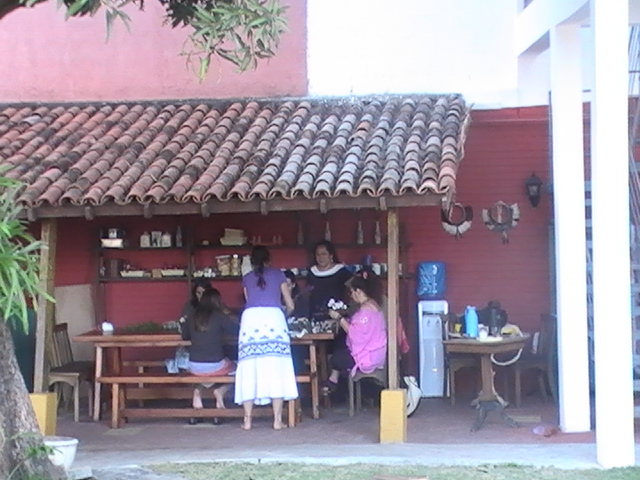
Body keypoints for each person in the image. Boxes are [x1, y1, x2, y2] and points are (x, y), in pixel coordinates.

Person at [234, 245, 298, 430]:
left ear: (252, 261)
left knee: (249, 366)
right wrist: (282, 316)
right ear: (269, 260)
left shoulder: (247, 278)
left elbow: (249, 300)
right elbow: (290, 304)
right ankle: (277, 420)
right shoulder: (278, 274)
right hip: (273, 319)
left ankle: (247, 421)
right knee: (276, 367)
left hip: (250, 320)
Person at [322, 275, 387, 394]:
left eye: (352, 292)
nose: (351, 296)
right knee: (340, 348)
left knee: (335, 358)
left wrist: (339, 318)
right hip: (376, 352)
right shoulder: (374, 305)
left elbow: (356, 335)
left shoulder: (366, 310)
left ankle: (333, 382)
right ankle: (333, 380)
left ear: (359, 291)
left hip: (368, 356)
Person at [181, 288, 238, 424]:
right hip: (215, 364)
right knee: (239, 370)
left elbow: (185, 336)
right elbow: (235, 330)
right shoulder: (219, 315)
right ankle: (220, 392)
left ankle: (197, 395)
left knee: (199, 377)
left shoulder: (192, 315)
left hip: (194, 365)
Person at [306, 240, 353, 321]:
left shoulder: (341, 271)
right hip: (315, 313)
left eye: (323, 254)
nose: (320, 257)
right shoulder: (312, 272)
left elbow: (352, 287)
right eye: (318, 254)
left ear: (331, 255)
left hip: (336, 313)